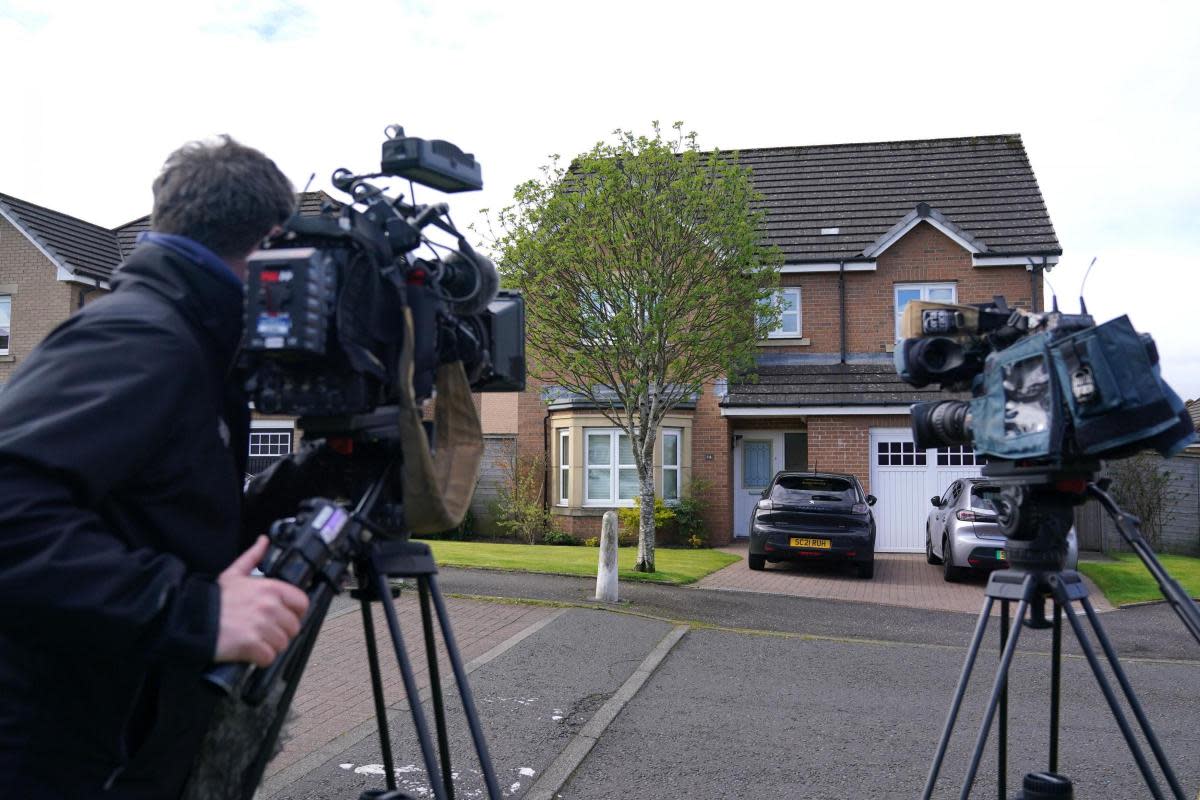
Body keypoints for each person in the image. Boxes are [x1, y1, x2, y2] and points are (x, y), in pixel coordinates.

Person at [0, 136, 311, 798]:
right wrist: (190, 610)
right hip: (58, 753)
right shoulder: (142, 336)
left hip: (114, 730)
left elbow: (155, 518)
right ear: (270, 242)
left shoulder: (193, 343)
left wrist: (301, 484)